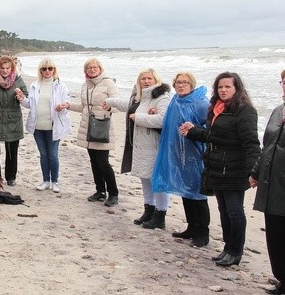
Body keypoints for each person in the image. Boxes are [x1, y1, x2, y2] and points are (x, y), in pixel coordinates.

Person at [180, 71, 260, 267]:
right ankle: (227, 248)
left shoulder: (244, 110)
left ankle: (235, 251)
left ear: (237, 88)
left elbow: (251, 143)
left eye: (228, 87)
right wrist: (192, 132)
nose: (223, 90)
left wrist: (254, 171)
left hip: (235, 168)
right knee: (223, 210)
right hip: (216, 166)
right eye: (220, 87)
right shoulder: (216, 108)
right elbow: (212, 135)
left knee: (235, 211)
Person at [104, 68, 170, 228]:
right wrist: (109, 102)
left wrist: (139, 118)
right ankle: (149, 209)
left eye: (149, 78)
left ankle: (160, 215)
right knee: (144, 177)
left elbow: (163, 120)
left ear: (156, 80)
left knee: (158, 181)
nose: (146, 81)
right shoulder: (139, 97)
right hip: (139, 145)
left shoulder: (162, 97)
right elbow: (126, 105)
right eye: (143, 79)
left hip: (154, 146)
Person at [151, 72, 211, 247]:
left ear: (191, 84)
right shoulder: (175, 101)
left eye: (184, 82)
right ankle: (192, 227)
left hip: (195, 156)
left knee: (198, 195)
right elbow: (169, 125)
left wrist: (194, 129)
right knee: (186, 192)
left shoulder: (201, 103)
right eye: (178, 82)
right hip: (178, 154)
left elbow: (210, 129)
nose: (181, 85)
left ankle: (203, 233)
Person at [61, 57, 119, 205]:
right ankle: (100, 191)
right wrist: (68, 105)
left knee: (103, 162)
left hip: (101, 127)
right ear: (85, 71)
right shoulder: (85, 85)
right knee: (94, 161)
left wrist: (109, 106)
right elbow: (84, 107)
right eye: (89, 68)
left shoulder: (108, 83)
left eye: (95, 67)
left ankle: (113, 193)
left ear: (100, 69)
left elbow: (117, 105)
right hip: (88, 127)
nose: (92, 70)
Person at [249, 70, 285, 294]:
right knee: (275, 233)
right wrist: (255, 172)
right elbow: (267, 146)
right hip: (272, 183)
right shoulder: (277, 111)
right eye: (284, 81)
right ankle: (281, 278)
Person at [20, 58, 71, 193]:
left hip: (54, 126)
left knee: (53, 154)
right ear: (40, 71)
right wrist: (21, 99)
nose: (47, 71)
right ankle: (45, 180)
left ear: (54, 70)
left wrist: (62, 107)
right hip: (38, 126)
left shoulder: (61, 86)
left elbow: (66, 103)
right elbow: (30, 104)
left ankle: (55, 181)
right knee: (43, 154)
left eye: (50, 68)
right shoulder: (35, 85)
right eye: (44, 69)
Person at [0, 55, 28, 186]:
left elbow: (26, 95)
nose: (5, 70)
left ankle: (11, 177)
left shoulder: (18, 79)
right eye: (2, 68)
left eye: (7, 68)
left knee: (11, 151)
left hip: (13, 118)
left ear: (12, 68)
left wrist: (21, 95)